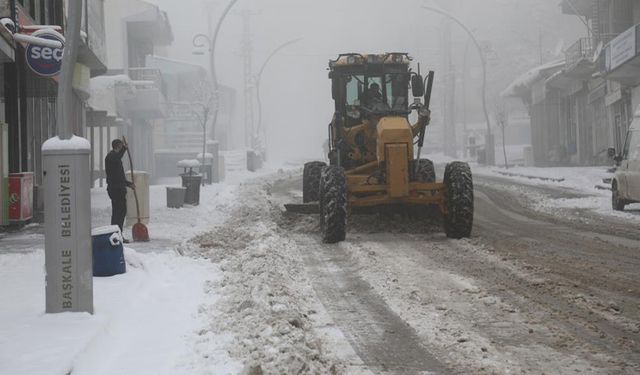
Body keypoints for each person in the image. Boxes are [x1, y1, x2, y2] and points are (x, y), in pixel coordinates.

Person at [105, 139, 134, 242]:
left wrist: (129, 184)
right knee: (118, 213)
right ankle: (116, 236)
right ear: (118, 146)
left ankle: (117, 235)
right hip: (115, 190)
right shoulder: (111, 157)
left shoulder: (115, 159)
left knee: (121, 212)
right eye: (121, 146)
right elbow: (117, 158)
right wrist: (125, 149)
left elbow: (119, 177)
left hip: (119, 189)